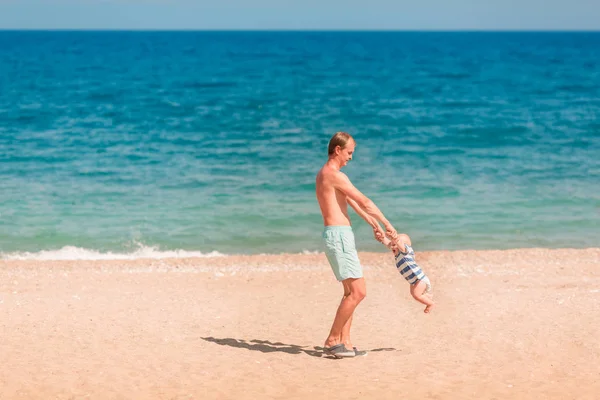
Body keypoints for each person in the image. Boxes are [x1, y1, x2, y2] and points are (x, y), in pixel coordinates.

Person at [315, 131, 397, 359]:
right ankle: (332, 340)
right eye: (349, 152)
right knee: (359, 292)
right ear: (338, 150)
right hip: (338, 237)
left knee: (350, 292)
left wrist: (374, 225)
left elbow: (350, 202)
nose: (351, 157)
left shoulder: (326, 174)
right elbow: (365, 201)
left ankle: (346, 343)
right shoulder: (334, 175)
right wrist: (387, 223)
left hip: (339, 236)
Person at [375, 231, 435, 313]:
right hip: (414, 281)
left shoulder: (405, 252)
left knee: (416, 295)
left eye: (395, 244)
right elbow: (388, 244)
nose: (392, 247)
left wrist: (395, 238)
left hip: (420, 279)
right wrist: (382, 238)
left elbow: (400, 244)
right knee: (413, 293)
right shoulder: (397, 252)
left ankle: (430, 304)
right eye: (392, 244)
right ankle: (427, 296)